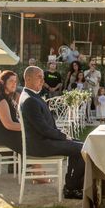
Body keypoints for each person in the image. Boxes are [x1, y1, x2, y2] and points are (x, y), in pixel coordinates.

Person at [19, 66, 87, 198]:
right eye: (39, 77)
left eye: (42, 77)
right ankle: (72, 189)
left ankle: (74, 186)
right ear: (28, 78)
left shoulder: (31, 96)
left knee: (81, 144)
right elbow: (43, 129)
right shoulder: (29, 100)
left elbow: (46, 126)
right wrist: (63, 136)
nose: (42, 80)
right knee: (82, 149)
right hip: (41, 145)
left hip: (44, 140)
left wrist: (63, 136)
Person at [0, 70, 23, 152]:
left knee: (30, 137)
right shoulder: (0, 98)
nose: (14, 84)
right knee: (30, 138)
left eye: (15, 81)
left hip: (0, 133)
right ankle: (30, 163)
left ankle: (19, 163)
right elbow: (9, 124)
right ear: (2, 82)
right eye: (11, 81)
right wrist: (28, 127)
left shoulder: (2, 96)